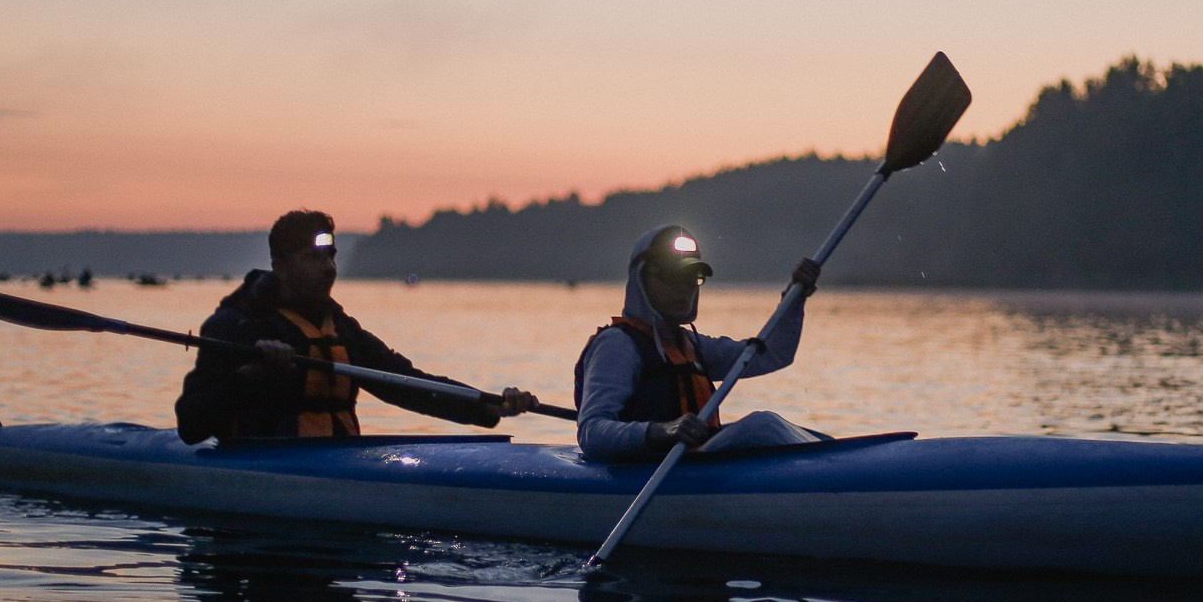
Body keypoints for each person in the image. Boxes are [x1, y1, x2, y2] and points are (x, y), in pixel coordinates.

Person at [176, 209, 537, 443]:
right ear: (280, 265)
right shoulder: (235, 325)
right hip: (258, 474)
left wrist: (491, 405)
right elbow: (190, 425)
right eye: (313, 257)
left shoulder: (342, 329)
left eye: (331, 256)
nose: (329, 268)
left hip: (337, 467)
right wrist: (249, 376)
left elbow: (409, 385)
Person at [572, 224, 822, 462]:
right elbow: (592, 432)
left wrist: (795, 297)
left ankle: (828, 458)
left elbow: (775, 354)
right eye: (673, 276)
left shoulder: (693, 346)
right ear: (641, 280)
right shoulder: (617, 346)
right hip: (644, 472)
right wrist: (661, 431)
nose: (685, 288)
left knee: (792, 432)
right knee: (763, 426)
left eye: (693, 276)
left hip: (693, 463)